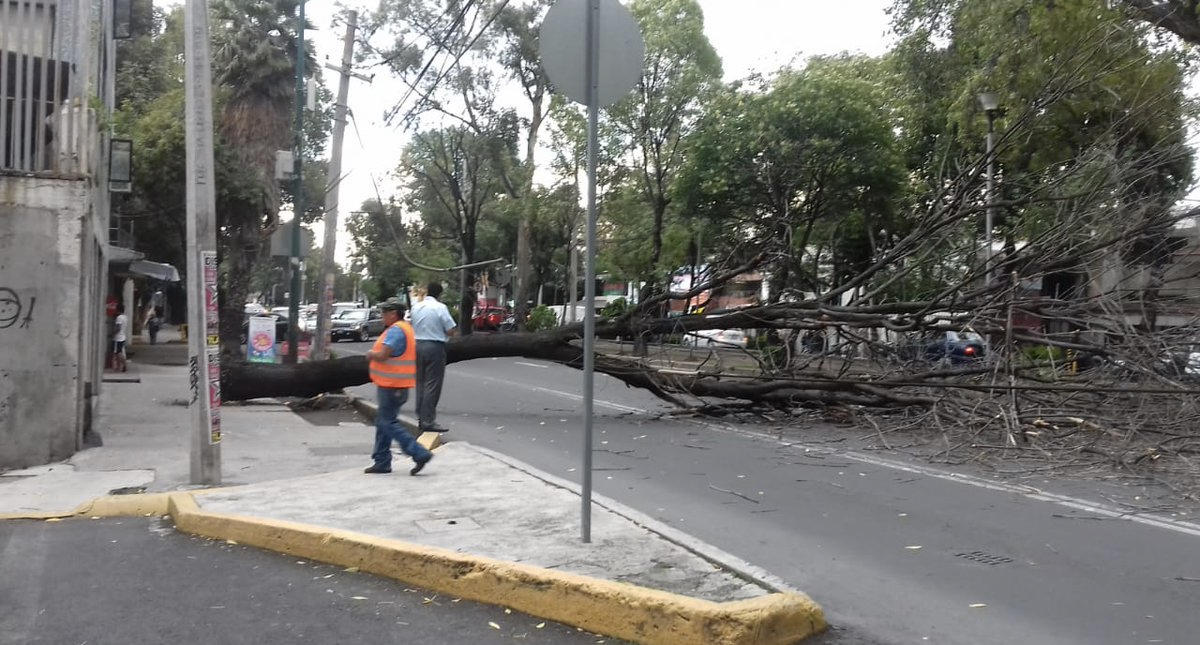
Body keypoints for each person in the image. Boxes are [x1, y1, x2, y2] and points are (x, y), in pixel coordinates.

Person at [364, 298, 433, 475]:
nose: (381, 317)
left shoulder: (396, 331)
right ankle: (382, 461)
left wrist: (371, 354)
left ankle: (418, 452)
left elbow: (383, 355)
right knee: (384, 422)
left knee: (386, 422)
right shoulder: (406, 328)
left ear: (393, 314)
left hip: (392, 386)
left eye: (384, 313)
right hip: (398, 386)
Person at [410, 281, 458, 433]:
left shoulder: (416, 307)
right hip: (434, 346)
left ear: (427, 292)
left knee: (420, 382)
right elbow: (450, 330)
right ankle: (428, 420)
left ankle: (420, 416)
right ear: (440, 294)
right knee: (432, 384)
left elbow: (411, 324)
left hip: (417, 345)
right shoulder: (440, 307)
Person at [112, 304, 128, 372]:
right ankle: (118, 366)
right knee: (118, 352)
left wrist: (113, 333)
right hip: (123, 336)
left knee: (119, 352)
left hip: (119, 337)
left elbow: (118, 327)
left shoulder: (119, 318)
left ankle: (124, 364)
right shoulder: (125, 317)